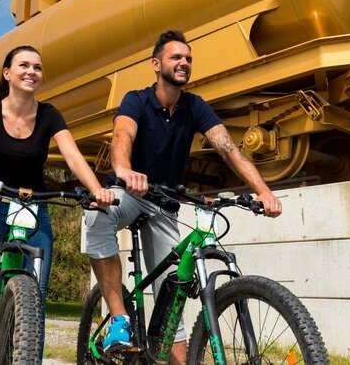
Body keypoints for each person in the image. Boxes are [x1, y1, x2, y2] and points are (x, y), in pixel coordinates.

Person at [85, 30, 283, 364]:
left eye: (188, 58)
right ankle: (119, 318)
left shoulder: (194, 106)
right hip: (131, 193)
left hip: (165, 204)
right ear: (156, 64)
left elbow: (228, 148)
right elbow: (122, 135)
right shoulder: (137, 100)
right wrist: (124, 170)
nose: (184, 63)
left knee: (172, 300)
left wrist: (263, 191)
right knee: (97, 215)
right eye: (176, 57)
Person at [0, 45, 115, 365]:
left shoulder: (49, 114)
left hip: (34, 209)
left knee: (35, 297)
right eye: (24, 65)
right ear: (7, 73)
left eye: (37, 67)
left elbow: (72, 155)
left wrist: (97, 189)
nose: (31, 71)